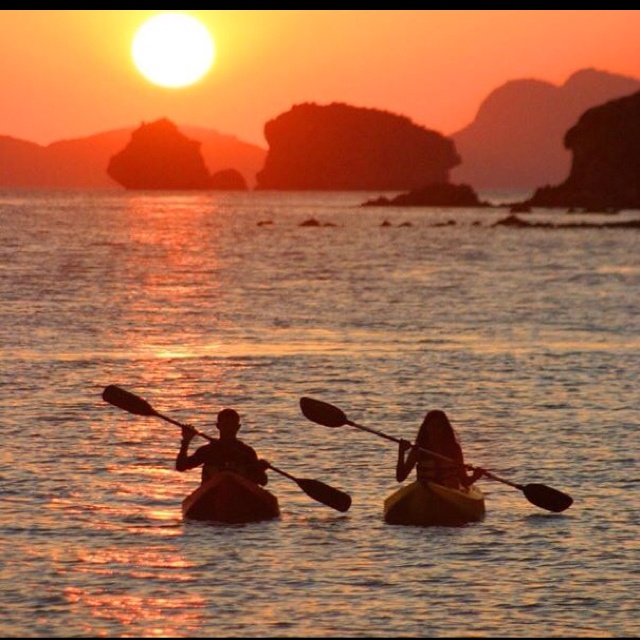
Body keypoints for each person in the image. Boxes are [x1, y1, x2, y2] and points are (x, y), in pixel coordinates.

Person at [176, 408, 269, 486]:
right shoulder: (208, 451)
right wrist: (186, 441)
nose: (229, 429)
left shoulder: (246, 452)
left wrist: (259, 468)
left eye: (232, 425)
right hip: (212, 496)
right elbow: (181, 466)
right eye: (225, 425)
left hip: (239, 498)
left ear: (238, 427)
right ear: (218, 426)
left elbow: (263, 481)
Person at [396, 409, 485, 489]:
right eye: (432, 426)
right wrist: (401, 452)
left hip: (449, 492)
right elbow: (400, 478)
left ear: (444, 429)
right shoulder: (419, 450)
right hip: (425, 491)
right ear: (426, 428)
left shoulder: (454, 449)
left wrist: (475, 476)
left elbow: (464, 482)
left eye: (439, 427)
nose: (435, 431)